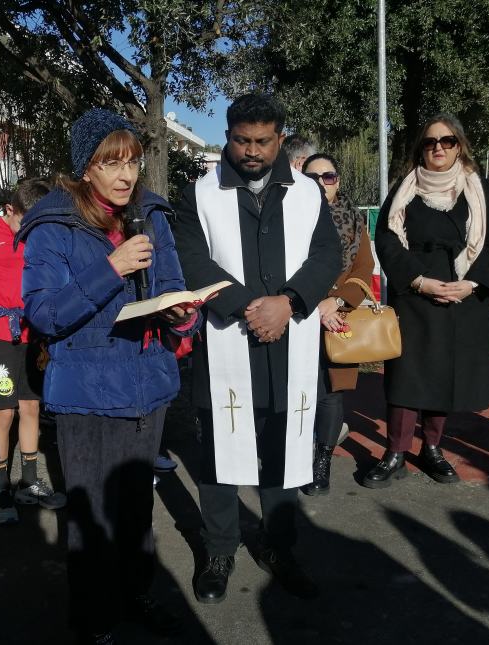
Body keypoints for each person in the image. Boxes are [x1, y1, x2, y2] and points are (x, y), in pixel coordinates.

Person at [19, 108, 199, 645]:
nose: (126, 175)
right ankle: (93, 616)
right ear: (85, 169)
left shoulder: (152, 214)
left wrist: (182, 311)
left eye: (133, 162)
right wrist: (112, 268)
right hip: (88, 392)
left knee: (136, 506)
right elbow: (43, 314)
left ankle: (136, 593)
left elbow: (172, 282)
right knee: (91, 513)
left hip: (148, 386)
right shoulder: (54, 226)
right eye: (110, 163)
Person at [172, 93, 342, 604]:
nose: (251, 150)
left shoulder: (308, 193)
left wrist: (288, 303)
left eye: (263, 141)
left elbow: (326, 254)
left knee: (282, 447)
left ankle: (279, 546)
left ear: (280, 139)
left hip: (290, 338)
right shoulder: (198, 194)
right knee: (221, 451)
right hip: (228, 338)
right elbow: (192, 259)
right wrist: (252, 307)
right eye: (242, 140)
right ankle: (219, 549)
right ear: (228, 136)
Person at [367, 113, 489, 489]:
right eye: (430, 142)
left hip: (463, 292)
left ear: (459, 145)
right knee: (406, 372)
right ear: (421, 148)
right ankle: (395, 452)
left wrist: (473, 283)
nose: (438, 148)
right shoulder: (404, 188)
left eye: (447, 141)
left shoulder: (480, 189)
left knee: (445, 372)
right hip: (415, 289)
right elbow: (387, 239)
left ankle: (431, 448)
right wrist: (418, 280)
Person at [0, 177, 66, 523]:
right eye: (27, 219)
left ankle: (30, 483)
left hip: (32, 332)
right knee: (3, 413)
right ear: (10, 209)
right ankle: (0, 488)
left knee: (31, 408)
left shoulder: (40, 234)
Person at [300, 153, 374, 495]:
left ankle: (322, 460)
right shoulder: (289, 218)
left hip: (338, 319)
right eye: (313, 177)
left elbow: (362, 268)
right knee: (298, 389)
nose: (321, 183)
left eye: (328, 177)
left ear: (337, 181)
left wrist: (337, 301)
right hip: (299, 314)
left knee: (330, 392)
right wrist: (316, 303)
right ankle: (294, 455)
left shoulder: (355, 220)